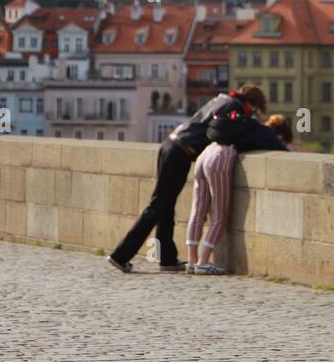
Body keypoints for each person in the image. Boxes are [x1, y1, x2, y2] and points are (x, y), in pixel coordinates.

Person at [107, 83, 266, 274]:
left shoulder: (221, 99)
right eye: (253, 110)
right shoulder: (233, 108)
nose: (250, 113)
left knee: (166, 206)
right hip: (181, 152)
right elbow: (222, 130)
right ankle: (120, 254)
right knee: (157, 206)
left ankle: (167, 258)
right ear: (249, 103)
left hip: (171, 145)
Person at [187, 99, 289, 275]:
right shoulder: (264, 134)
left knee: (198, 210)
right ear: (280, 134)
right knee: (219, 215)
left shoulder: (246, 126)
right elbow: (283, 152)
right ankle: (203, 263)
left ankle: (192, 260)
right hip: (221, 157)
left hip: (207, 152)